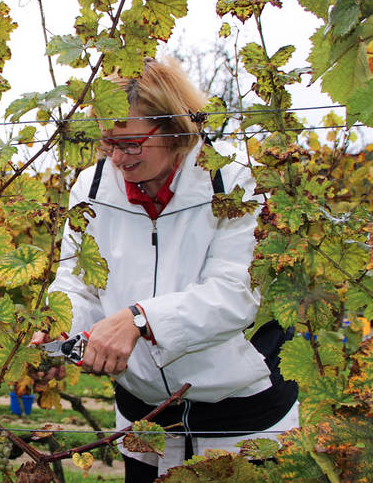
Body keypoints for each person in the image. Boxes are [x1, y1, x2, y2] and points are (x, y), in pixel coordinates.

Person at [42, 58, 298, 480]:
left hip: (240, 416)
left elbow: (235, 292)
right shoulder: (91, 186)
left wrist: (140, 320)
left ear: (176, 126)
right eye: (108, 144)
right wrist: (60, 324)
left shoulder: (231, 180)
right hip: (144, 417)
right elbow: (80, 284)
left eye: (132, 144)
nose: (118, 159)